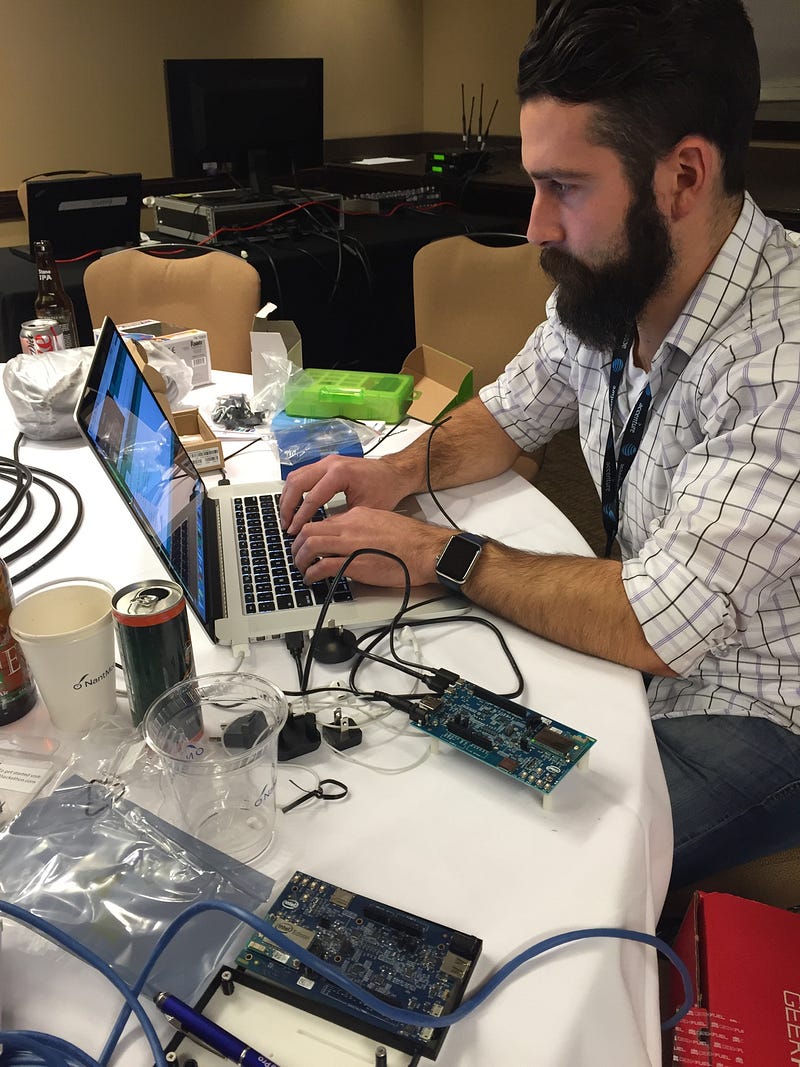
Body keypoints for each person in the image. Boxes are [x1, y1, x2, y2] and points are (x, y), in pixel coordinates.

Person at [280, 0, 800, 890]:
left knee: (513, 862)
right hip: (647, 659)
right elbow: (507, 413)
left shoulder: (782, 356)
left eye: (566, 186)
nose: (536, 227)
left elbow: (656, 620)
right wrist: (391, 473)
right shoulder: (616, 285)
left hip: (761, 711)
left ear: (683, 176)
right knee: (401, 753)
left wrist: (435, 551)